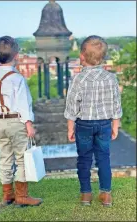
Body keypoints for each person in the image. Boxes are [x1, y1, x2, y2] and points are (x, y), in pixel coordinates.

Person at [0, 36, 43, 207]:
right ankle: (22, 196)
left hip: (0, 122)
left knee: (5, 158)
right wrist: (28, 124)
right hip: (16, 122)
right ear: (16, 55)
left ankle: (7, 195)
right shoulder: (18, 79)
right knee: (22, 158)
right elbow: (24, 104)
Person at [64, 35, 122, 207]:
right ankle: (106, 195)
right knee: (103, 158)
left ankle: (86, 195)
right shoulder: (111, 78)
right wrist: (115, 125)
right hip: (104, 123)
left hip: (84, 125)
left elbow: (71, 107)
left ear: (82, 56)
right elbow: (116, 104)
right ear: (103, 57)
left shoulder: (78, 79)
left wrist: (70, 128)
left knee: (84, 159)